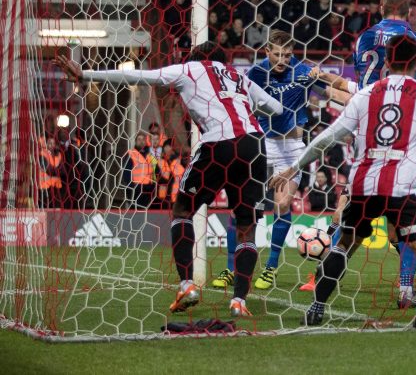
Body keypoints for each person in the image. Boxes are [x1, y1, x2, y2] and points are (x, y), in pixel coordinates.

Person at [54, 41, 282, 317]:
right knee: (247, 225)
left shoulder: (189, 69)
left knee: (183, 210)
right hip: (255, 145)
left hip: (219, 143)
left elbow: (141, 76)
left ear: (196, 57)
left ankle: (187, 285)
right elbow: (275, 109)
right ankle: (239, 302)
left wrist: (86, 75)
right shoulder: (238, 76)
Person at [271, 35, 416, 325]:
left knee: (344, 244)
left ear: (388, 62)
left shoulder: (367, 93)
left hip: (363, 184)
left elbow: (330, 136)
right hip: (402, 187)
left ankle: (316, 308)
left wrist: (294, 166)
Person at [210, 30, 326, 291]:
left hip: (292, 148)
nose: (283, 59)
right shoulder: (255, 73)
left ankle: (271, 266)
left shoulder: (303, 71)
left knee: (283, 203)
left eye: (287, 54)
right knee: (242, 207)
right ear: (266, 52)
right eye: (277, 54)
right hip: (262, 144)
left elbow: (329, 93)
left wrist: (323, 78)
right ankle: (232, 267)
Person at [122, 132, 159, 209]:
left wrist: (153, 185)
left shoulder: (149, 155)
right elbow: (126, 173)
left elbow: (155, 171)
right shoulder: (131, 154)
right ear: (135, 141)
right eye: (139, 139)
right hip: (135, 189)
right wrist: (132, 187)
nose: (141, 141)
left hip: (148, 189)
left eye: (143, 139)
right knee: (136, 212)